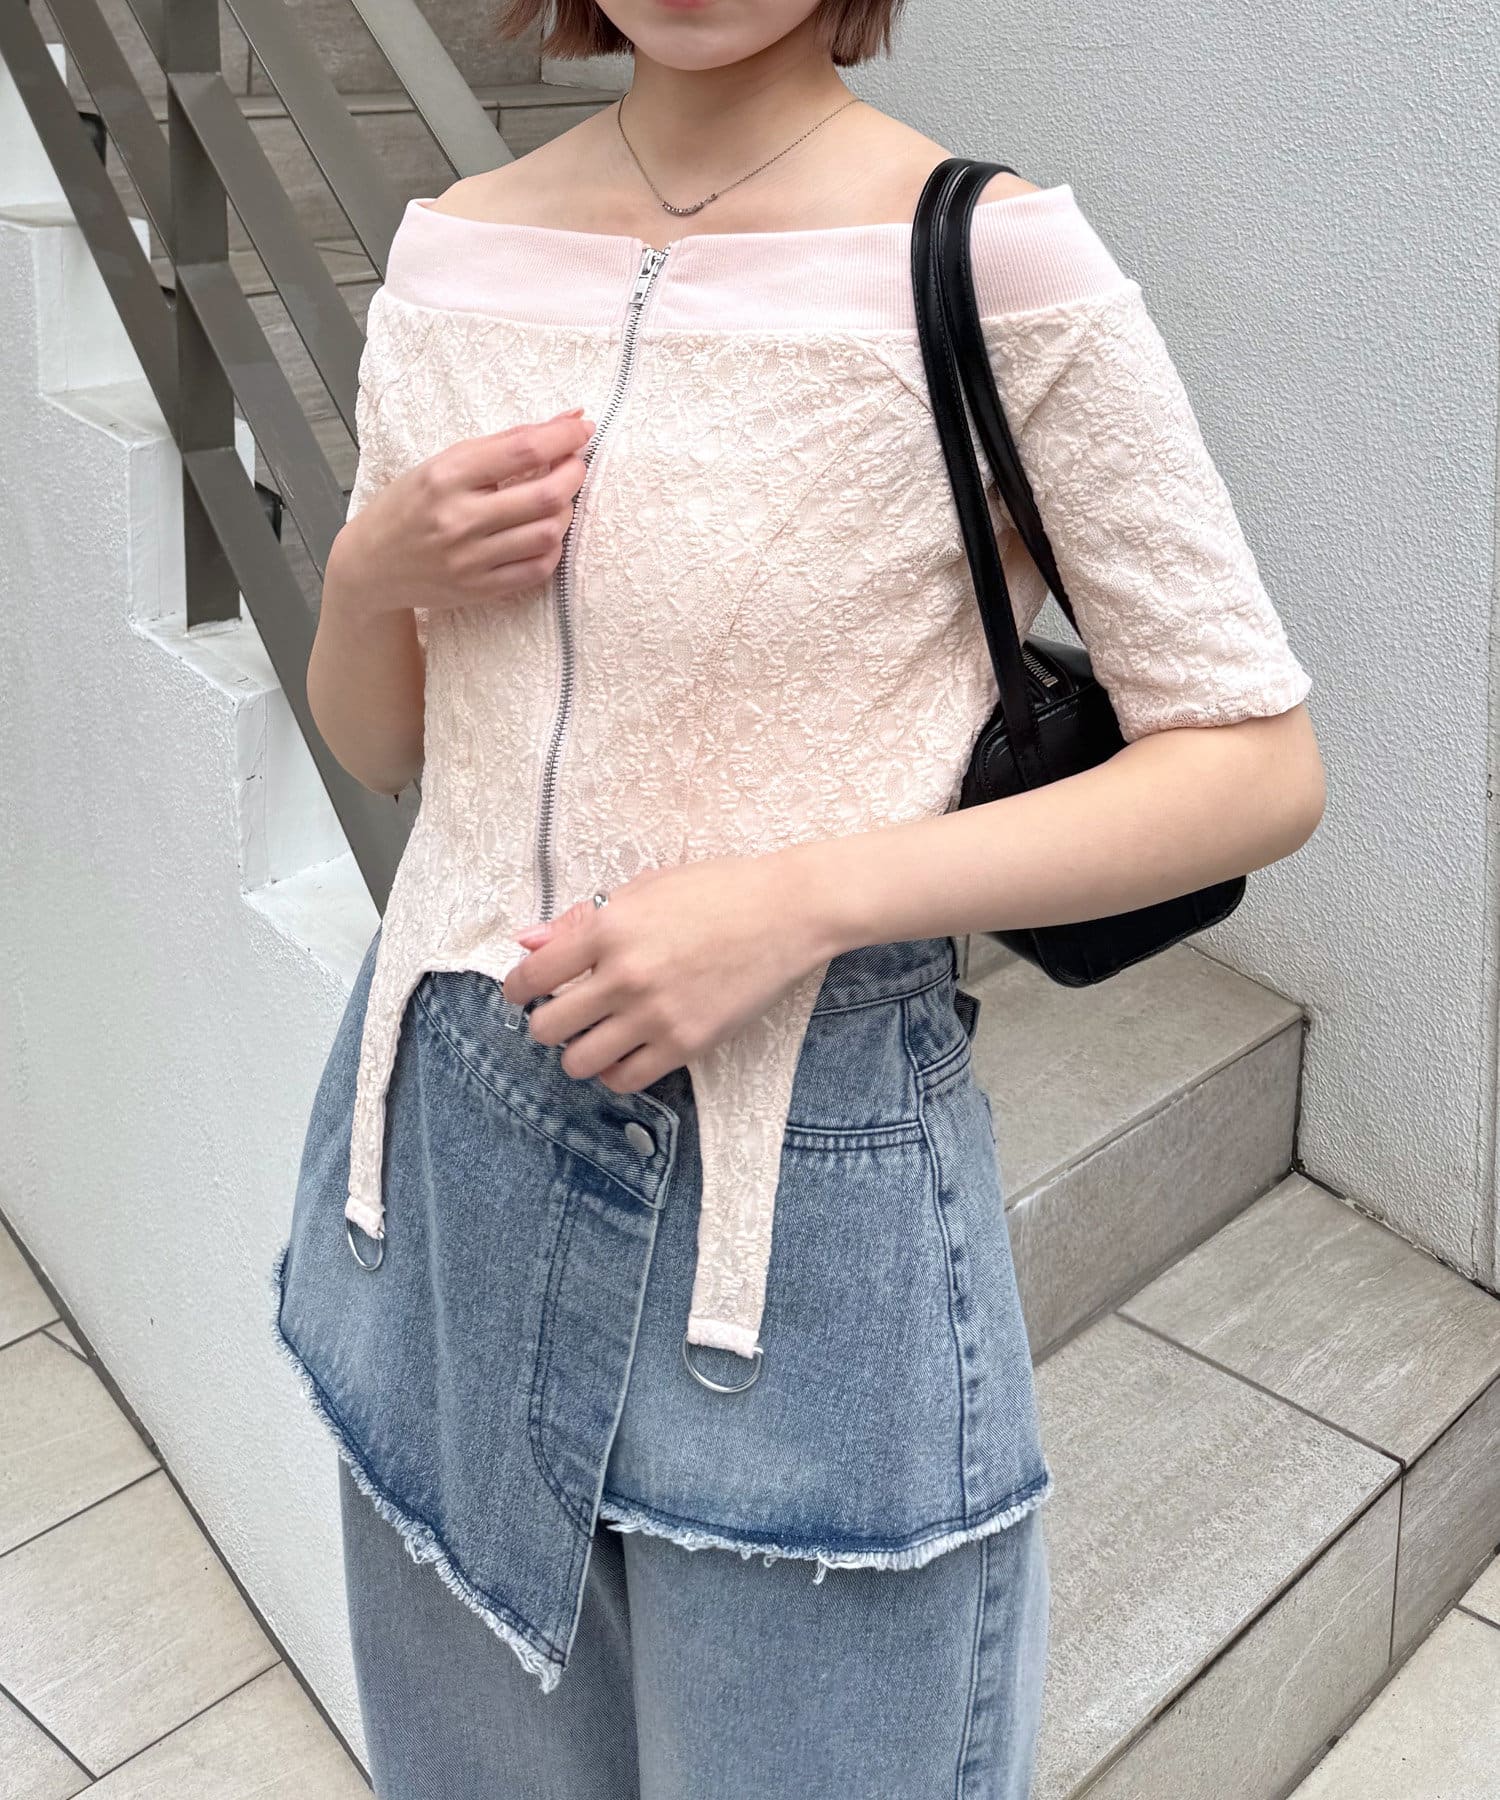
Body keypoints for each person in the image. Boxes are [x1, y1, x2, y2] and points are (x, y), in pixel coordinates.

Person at [270, 1, 1326, 1794]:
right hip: (439, 1177)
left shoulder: (989, 262)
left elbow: (1253, 762)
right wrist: (374, 573)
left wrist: (797, 904)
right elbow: (392, 750)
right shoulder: (457, 252)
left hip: (796, 1231)